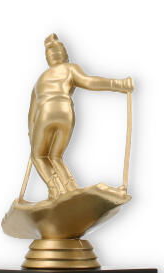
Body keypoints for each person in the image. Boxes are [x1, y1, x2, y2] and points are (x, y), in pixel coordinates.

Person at [28, 33, 134, 199]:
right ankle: (71, 188)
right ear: (64, 55)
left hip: (45, 113)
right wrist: (119, 84)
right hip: (65, 112)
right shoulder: (70, 68)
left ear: (48, 58)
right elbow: (89, 82)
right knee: (56, 156)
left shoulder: (40, 80)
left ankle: (54, 189)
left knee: (38, 155)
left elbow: (32, 113)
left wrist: (31, 133)